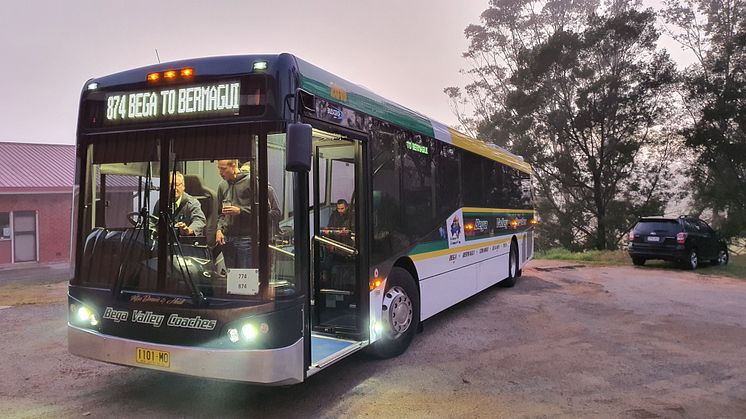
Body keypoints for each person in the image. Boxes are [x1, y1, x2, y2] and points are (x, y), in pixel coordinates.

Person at [216, 159, 253, 269]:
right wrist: (218, 230)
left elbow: (264, 209)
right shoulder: (222, 185)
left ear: (233, 166)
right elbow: (220, 213)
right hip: (227, 239)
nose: (220, 173)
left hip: (245, 238)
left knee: (245, 277)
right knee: (231, 277)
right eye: (219, 169)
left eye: (223, 169)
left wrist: (240, 210)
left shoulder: (251, 182)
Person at [155, 171, 206, 236]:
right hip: (166, 241)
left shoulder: (192, 203)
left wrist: (188, 230)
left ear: (183, 186)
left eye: (176, 185)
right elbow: (154, 221)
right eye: (170, 185)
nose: (174, 188)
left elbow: (199, 221)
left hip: (185, 241)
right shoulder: (161, 202)